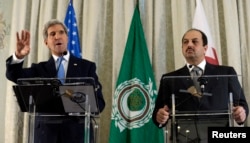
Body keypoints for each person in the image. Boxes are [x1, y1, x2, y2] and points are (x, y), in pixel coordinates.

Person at [6, 19, 105, 143]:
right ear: (46, 42)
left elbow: (99, 103)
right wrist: (18, 56)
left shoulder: (86, 67)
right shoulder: (39, 69)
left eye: (61, 32)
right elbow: (14, 75)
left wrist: (78, 102)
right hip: (46, 135)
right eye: (52, 34)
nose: (57, 37)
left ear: (67, 38)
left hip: (77, 134)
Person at [152, 29, 249, 142]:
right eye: (185, 42)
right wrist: (160, 117)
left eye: (194, 41)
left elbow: (242, 105)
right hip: (184, 138)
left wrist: (242, 113)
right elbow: (158, 113)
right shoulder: (169, 79)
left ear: (205, 48)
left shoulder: (226, 73)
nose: (189, 45)